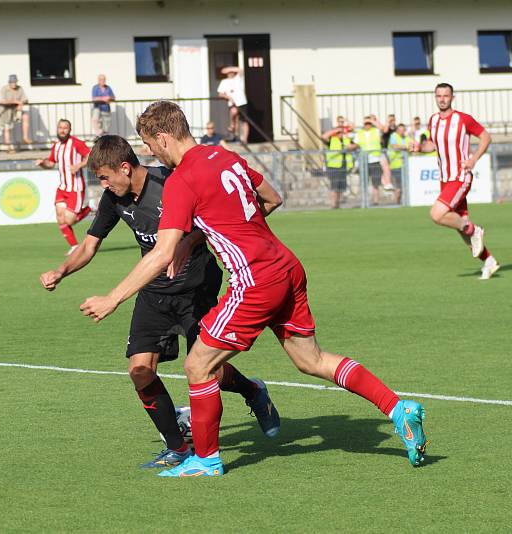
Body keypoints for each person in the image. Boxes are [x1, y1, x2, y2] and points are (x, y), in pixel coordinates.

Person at [79, 100, 428, 476]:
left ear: (163, 138)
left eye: (149, 144)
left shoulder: (180, 180)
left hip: (255, 278)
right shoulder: (225, 156)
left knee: (198, 365)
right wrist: (220, 231)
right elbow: (273, 198)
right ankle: (397, 407)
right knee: (311, 360)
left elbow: (161, 253)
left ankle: (207, 459)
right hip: (286, 265)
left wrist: (113, 297)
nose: (149, 153)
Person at [40, 135, 279, 468]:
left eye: (106, 178)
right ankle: (178, 448)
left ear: (125, 168)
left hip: (196, 287)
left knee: (209, 369)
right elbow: (89, 246)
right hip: (153, 291)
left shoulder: (171, 182)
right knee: (139, 370)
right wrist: (61, 271)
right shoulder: (114, 198)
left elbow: (218, 218)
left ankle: (252, 391)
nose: (104, 186)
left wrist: (186, 243)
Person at [419, 83, 499, 280]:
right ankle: (489, 261)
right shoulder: (433, 120)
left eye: (446, 96)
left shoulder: (463, 119)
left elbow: (486, 137)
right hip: (445, 179)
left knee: (437, 215)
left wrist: (473, 159)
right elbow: (432, 144)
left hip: (460, 176)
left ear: (452, 97)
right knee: (460, 227)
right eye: (439, 96)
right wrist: (419, 147)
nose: (442, 99)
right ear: (435, 97)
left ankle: (475, 229)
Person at [35, 119, 92, 254]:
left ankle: (90, 208)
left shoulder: (77, 143)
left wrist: (78, 166)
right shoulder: (56, 146)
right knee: (60, 218)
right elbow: (51, 163)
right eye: (60, 127)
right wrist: (43, 163)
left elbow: (90, 156)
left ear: (69, 130)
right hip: (62, 188)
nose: (62, 130)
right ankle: (74, 246)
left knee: (69, 220)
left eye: (65, 128)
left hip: (75, 188)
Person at [355, 115, 392, 203]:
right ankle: (364, 201)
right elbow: (356, 144)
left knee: (376, 183)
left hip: (375, 160)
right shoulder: (359, 133)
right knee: (364, 183)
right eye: (366, 123)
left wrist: (374, 121)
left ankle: (376, 201)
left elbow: (384, 129)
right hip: (364, 161)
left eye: (369, 123)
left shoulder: (375, 131)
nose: (367, 125)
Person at [322, 116, 357, 209]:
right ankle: (333, 204)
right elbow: (324, 137)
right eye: (339, 132)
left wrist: (345, 121)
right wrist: (335, 130)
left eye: (341, 132)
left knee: (341, 186)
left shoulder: (346, 140)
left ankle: (338, 204)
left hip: (343, 166)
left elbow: (355, 143)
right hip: (333, 167)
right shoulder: (332, 140)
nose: (340, 134)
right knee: (334, 186)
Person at [0, 74, 32, 152]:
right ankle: (8, 148)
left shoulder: (20, 88)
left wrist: (21, 103)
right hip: (5, 112)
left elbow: (25, 99)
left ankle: (25, 137)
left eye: (15, 82)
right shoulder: (4, 89)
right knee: (7, 128)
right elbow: (2, 101)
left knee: (25, 116)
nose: (14, 84)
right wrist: (15, 101)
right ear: (9, 82)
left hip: (15, 111)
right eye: (12, 82)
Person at [216, 66, 249, 145]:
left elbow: (240, 70)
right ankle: (233, 127)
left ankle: (244, 139)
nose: (230, 73)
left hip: (242, 102)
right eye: (229, 72)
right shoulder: (224, 81)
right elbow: (220, 94)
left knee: (244, 122)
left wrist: (229, 68)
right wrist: (229, 97)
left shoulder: (238, 78)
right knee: (234, 113)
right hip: (232, 103)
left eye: (232, 72)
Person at [387, 123, 413, 204]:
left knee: (406, 186)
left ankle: (404, 202)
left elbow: (412, 145)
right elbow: (394, 146)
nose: (401, 132)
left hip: (406, 165)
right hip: (396, 165)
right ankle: (397, 203)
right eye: (400, 130)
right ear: (397, 130)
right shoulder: (393, 136)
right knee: (399, 187)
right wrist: (406, 146)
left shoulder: (407, 137)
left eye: (403, 130)